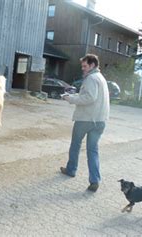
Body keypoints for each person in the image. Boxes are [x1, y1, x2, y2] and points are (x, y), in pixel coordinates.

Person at [60, 54, 110, 192]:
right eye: (82, 66)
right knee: (93, 150)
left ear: (93, 65)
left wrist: (69, 99)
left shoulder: (91, 78)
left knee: (75, 145)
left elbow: (89, 98)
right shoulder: (101, 78)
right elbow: (88, 96)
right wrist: (73, 96)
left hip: (86, 119)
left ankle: (71, 170)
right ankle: (95, 180)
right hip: (100, 121)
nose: (83, 68)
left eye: (85, 66)